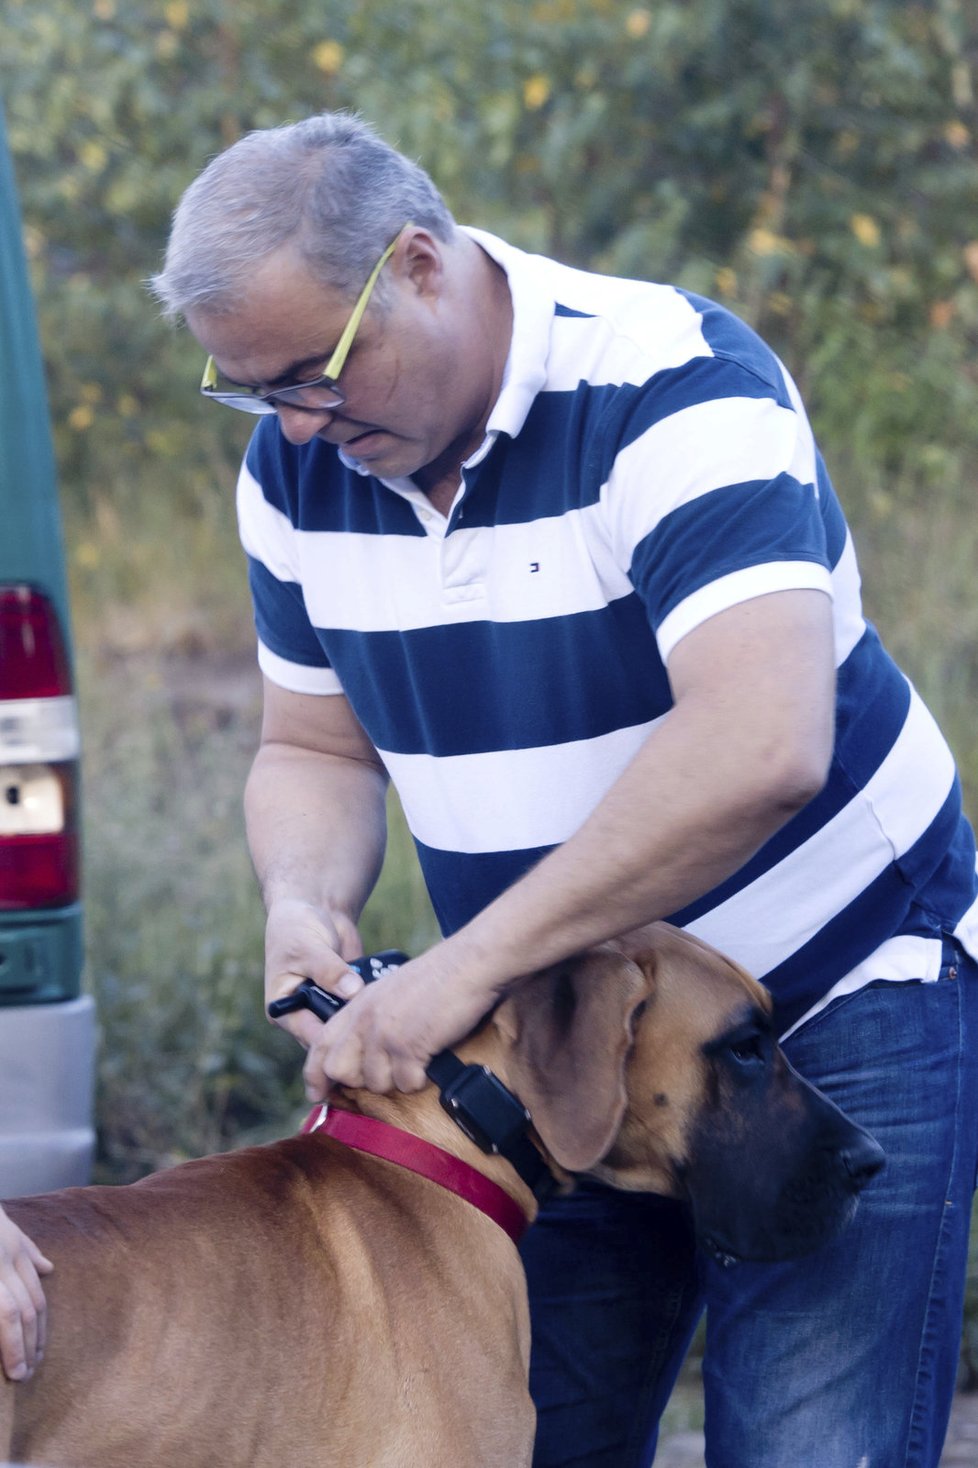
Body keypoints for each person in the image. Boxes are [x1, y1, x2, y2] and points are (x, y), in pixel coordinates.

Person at [6, 110, 978, 1465]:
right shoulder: (298, 474)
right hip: (534, 1039)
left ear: (416, 264)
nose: (293, 421)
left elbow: (762, 743)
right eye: (252, 389)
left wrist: (462, 973)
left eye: (312, 372)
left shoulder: (672, 387)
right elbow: (314, 749)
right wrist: (302, 903)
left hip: (821, 990)